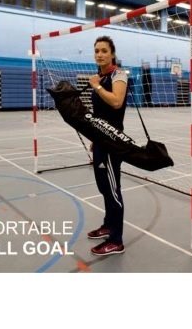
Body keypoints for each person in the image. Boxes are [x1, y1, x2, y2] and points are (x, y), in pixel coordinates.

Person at [87, 36, 128, 256]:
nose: (100, 54)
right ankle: (108, 225)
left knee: (112, 190)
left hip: (112, 142)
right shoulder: (100, 77)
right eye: (97, 51)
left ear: (112, 53)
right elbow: (99, 114)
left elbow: (116, 102)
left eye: (104, 50)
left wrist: (96, 86)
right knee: (104, 187)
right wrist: (94, 138)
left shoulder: (118, 75)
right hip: (100, 141)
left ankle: (116, 240)